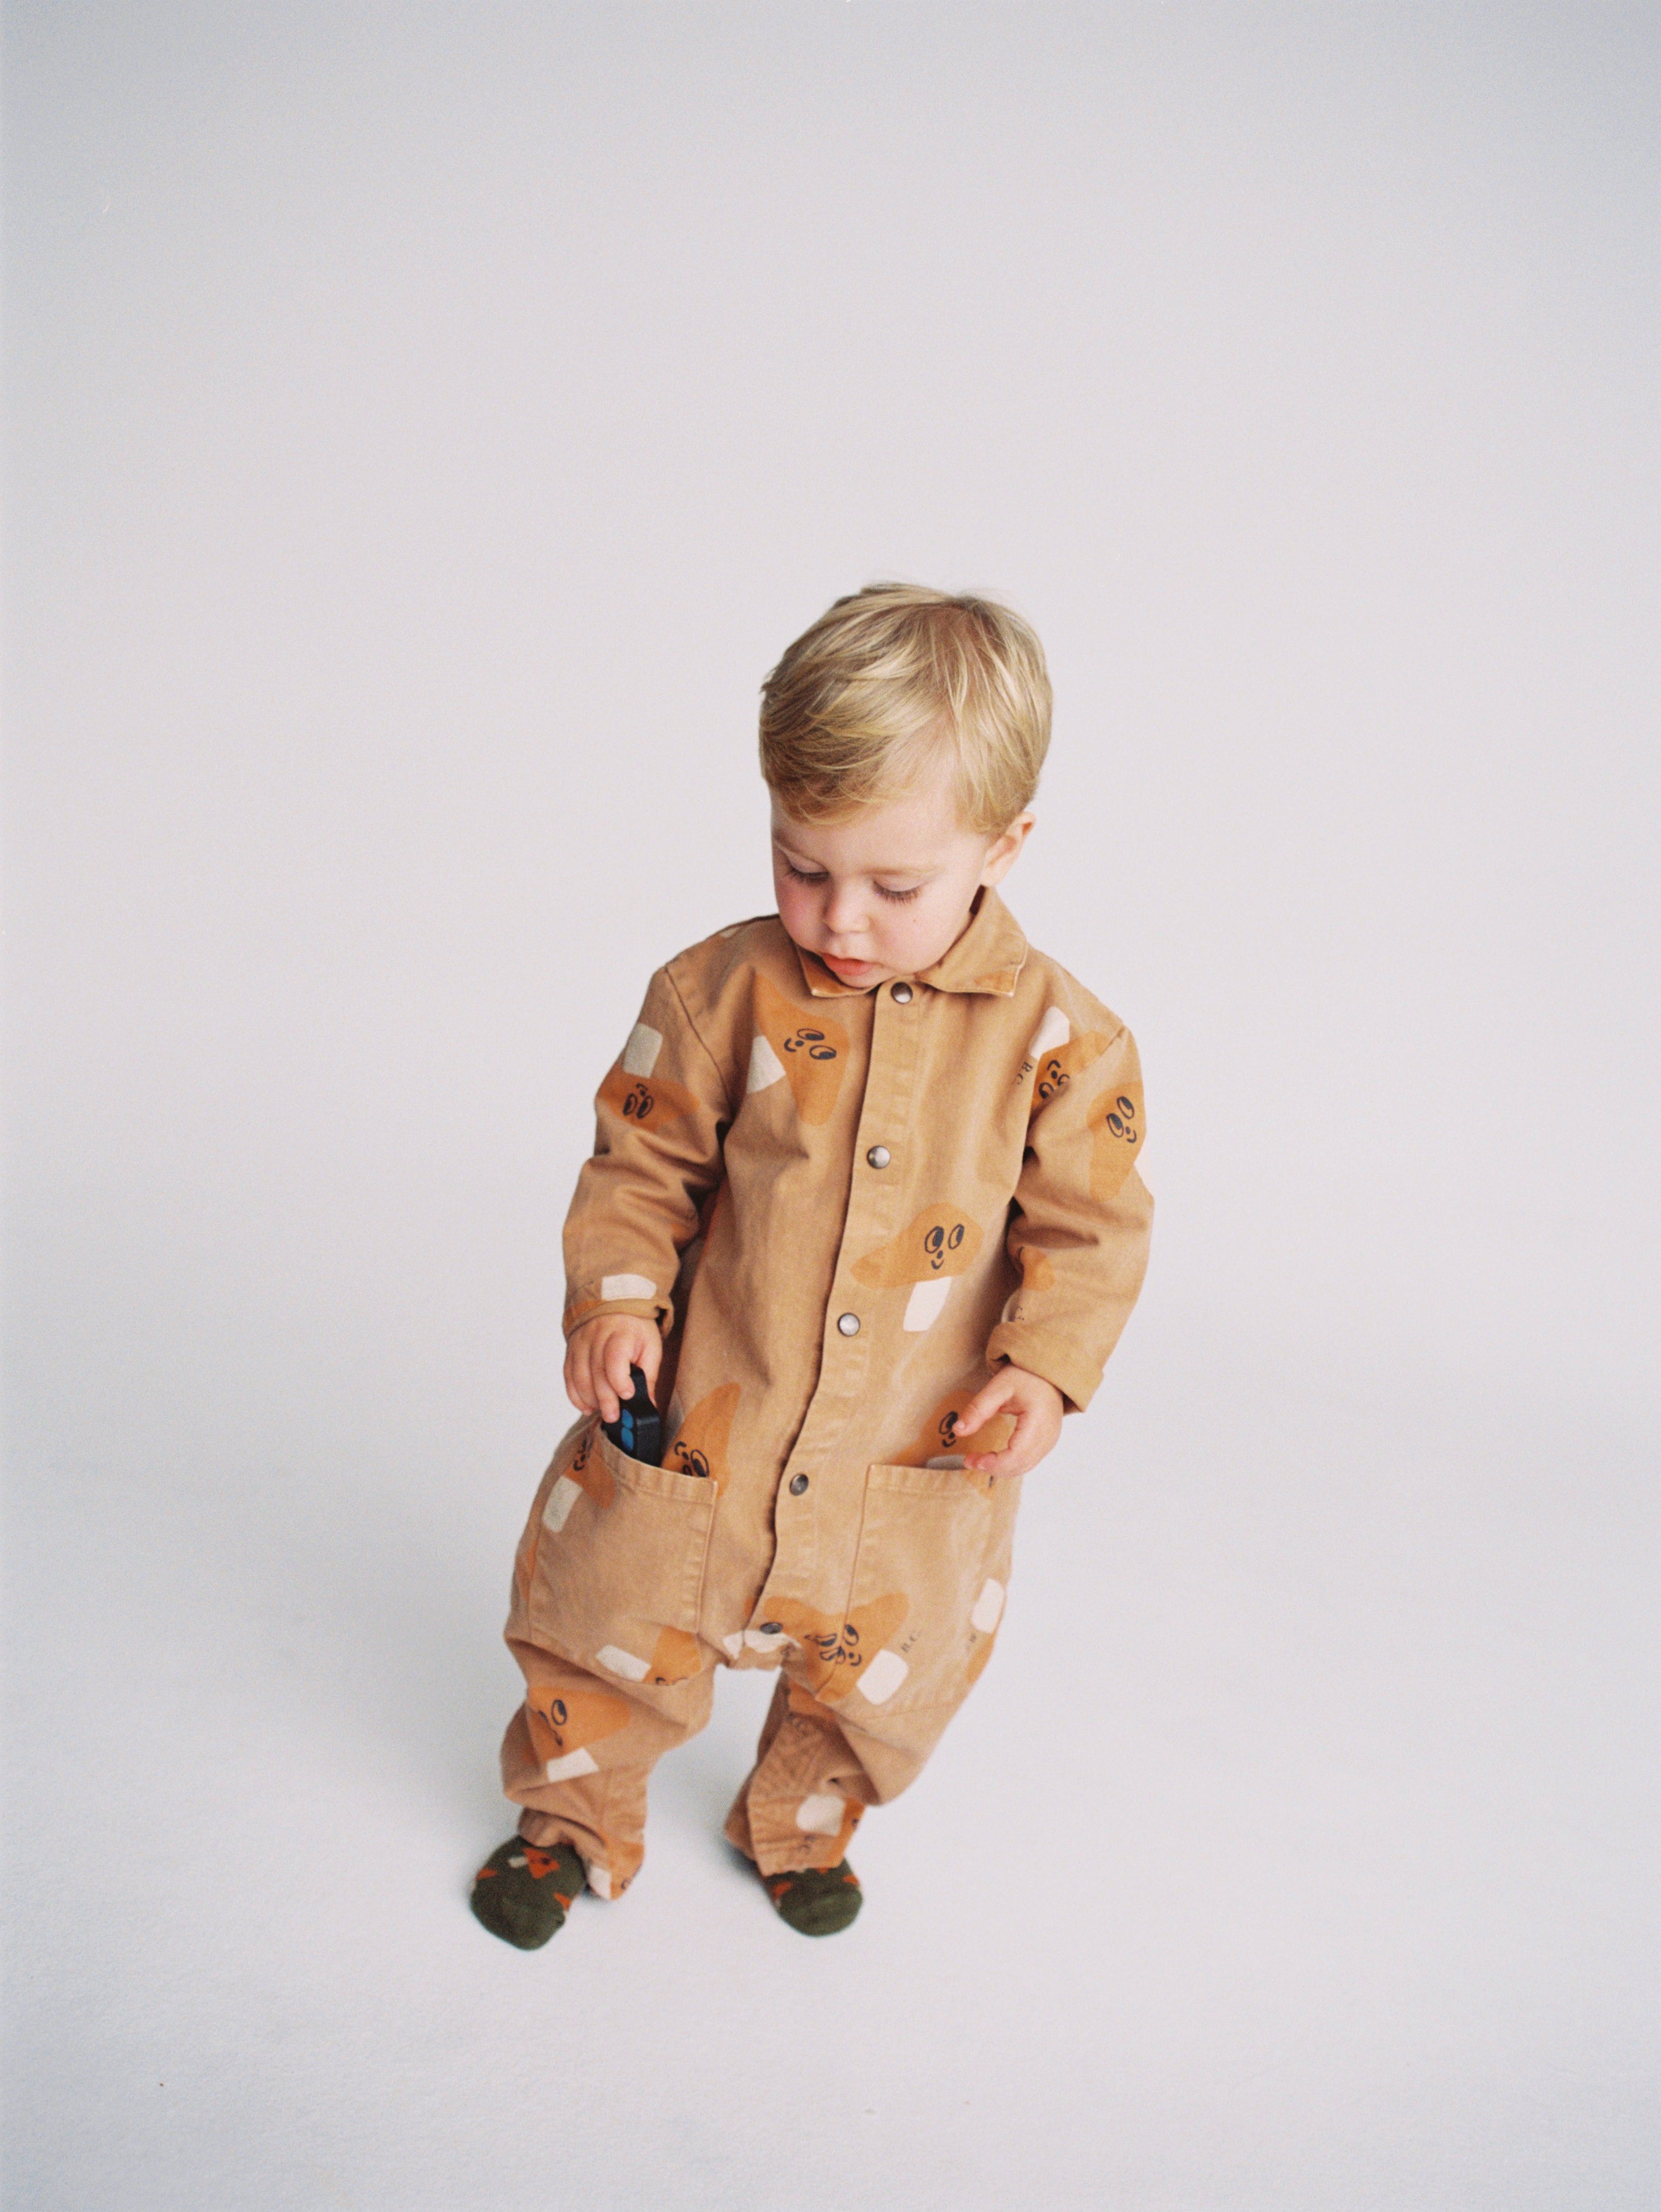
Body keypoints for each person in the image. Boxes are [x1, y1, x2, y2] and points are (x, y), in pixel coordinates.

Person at [469, 583, 1153, 1945]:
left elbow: (1091, 1225)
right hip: (702, 1435)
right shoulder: (716, 994)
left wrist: (1042, 1367)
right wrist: (615, 1301)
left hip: (911, 1461)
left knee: (887, 1679)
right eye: (802, 864)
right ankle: (569, 1824)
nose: (839, 917)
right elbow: (639, 1165)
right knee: (601, 1632)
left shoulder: (1066, 1044)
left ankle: (799, 1822)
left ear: (1005, 845)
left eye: (895, 886)